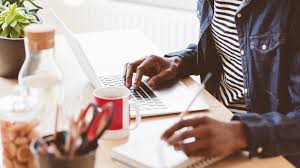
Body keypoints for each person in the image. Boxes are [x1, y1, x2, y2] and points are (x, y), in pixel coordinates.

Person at [123, 0, 300, 166]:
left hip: (267, 147)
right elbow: (229, 52)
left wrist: (241, 133)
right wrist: (178, 62)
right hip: (217, 121)